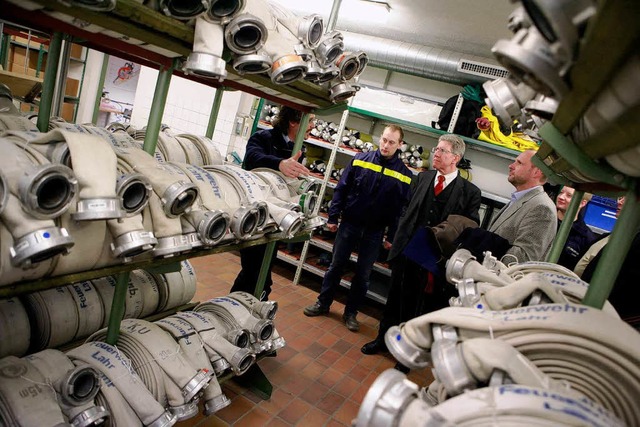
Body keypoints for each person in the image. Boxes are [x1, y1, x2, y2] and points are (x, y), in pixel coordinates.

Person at [361, 134, 481, 355]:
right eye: (436, 149)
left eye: (442, 150)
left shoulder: (470, 193)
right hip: (406, 252)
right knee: (394, 298)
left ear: (455, 157)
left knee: (420, 307)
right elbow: (405, 210)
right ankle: (382, 339)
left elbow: (470, 227)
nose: (435, 153)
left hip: (434, 260)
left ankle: (407, 352)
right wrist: (396, 240)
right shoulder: (422, 178)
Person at [303, 124, 413, 332]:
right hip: (350, 224)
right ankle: (323, 303)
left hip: (375, 231)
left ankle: (351, 313)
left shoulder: (405, 175)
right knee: (335, 267)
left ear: (400, 145)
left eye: (391, 142)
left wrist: (392, 235)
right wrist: (333, 217)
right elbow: (341, 189)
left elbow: (400, 209)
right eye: (384, 140)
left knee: (363, 275)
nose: (385, 145)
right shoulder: (361, 159)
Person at [230, 106, 314, 300]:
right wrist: (279, 164)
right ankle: (242, 308)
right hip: (255, 215)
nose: (313, 126)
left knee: (262, 270)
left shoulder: (300, 147)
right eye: (310, 121)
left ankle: (241, 308)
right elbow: (252, 158)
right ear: (294, 122)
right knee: (255, 273)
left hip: (276, 219)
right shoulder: (263, 138)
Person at [486, 149, 557, 263]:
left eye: (519, 163)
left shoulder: (542, 208)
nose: (511, 166)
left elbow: (522, 258)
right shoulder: (521, 199)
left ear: (536, 172)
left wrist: (482, 252)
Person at [554, 186, 598, 270]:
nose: (561, 197)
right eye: (561, 192)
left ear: (582, 203)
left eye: (569, 195)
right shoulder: (543, 218)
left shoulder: (586, 238)